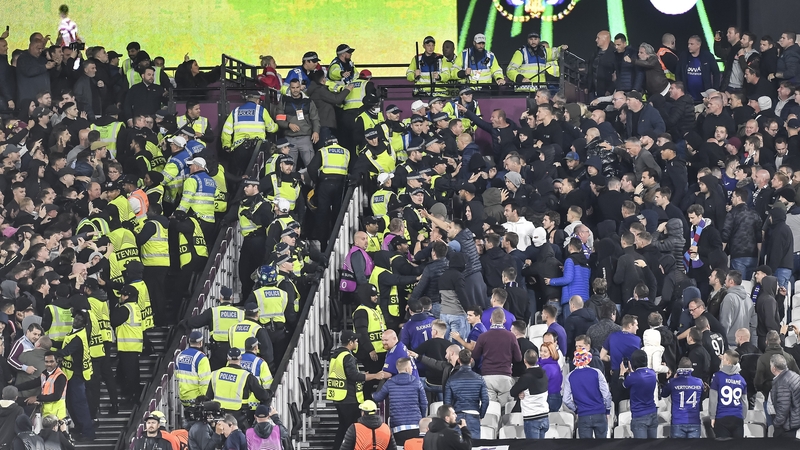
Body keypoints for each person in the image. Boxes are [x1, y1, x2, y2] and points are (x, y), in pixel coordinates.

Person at [206, 348, 271, 427]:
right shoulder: (246, 376)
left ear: (227, 358)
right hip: (239, 419)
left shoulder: (215, 374)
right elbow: (262, 395)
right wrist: (269, 393)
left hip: (219, 418)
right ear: (240, 358)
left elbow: (208, 397)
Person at [220, 93, 279, 176]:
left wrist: (226, 145)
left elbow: (226, 130)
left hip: (240, 147)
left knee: (240, 173)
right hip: (258, 148)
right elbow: (271, 129)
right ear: (258, 101)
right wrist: (277, 126)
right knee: (259, 172)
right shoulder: (261, 110)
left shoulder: (236, 111)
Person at [471, 308, 521, 405]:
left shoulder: (483, 336)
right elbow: (518, 358)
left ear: (490, 320)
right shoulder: (511, 336)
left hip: (487, 376)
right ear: (504, 321)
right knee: (505, 408)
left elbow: (475, 355)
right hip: (505, 376)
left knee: (490, 409)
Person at [373, 357, 427, 445]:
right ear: (406, 368)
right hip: (415, 426)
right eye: (411, 366)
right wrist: (421, 418)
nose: (412, 368)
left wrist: (372, 395)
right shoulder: (417, 382)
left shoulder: (390, 383)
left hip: (398, 428)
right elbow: (424, 403)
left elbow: (378, 397)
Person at [563, 348, 612, 438]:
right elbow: (606, 395)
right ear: (588, 359)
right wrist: (607, 410)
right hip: (599, 413)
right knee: (603, 446)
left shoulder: (570, 376)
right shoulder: (597, 373)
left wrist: (576, 409)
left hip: (583, 416)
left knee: (586, 446)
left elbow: (566, 400)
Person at [442, 349, 488, 439]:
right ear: (471, 360)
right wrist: (481, 415)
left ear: (459, 360)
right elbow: (485, 401)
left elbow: (447, 403)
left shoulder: (451, 379)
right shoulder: (479, 379)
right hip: (474, 415)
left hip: (457, 416)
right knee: (474, 445)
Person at [709, 350, 748, 438]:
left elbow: (713, 399)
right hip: (738, 418)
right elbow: (744, 402)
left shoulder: (717, 376)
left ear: (728, 362)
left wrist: (712, 416)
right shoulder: (742, 379)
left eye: (723, 359)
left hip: (722, 417)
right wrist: (743, 417)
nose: (722, 360)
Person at [661, 357, 703, 438]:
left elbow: (663, 394)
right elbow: (702, 396)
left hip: (678, 421)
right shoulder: (699, 382)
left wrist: (668, 379)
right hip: (694, 421)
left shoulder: (673, 382)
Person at [620, 349, 658, 438]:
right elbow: (640, 377)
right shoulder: (652, 373)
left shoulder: (631, 377)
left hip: (639, 416)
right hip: (652, 413)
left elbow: (623, 386)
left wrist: (622, 374)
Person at [678, 35, 721, 102]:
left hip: (704, 96)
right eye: (688, 44)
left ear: (698, 45)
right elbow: (678, 73)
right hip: (687, 95)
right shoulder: (684, 56)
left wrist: (714, 90)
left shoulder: (707, 56)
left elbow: (716, 73)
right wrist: (680, 89)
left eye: (691, 44)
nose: (689, 46)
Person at [175, 331, 212, 408]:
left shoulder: (180, 355)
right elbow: (205, 381)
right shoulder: (201, 358)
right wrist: (204, 399)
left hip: (183, 398)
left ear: (189, 341)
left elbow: (176, 375)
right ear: (201, 342)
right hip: (196, 400)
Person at [769, 353, 800, 438]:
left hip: (786, 426)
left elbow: (783, 408)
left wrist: (776, 423)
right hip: (795, 422)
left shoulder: (782, 383)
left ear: (774, 368)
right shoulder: (794, 375)